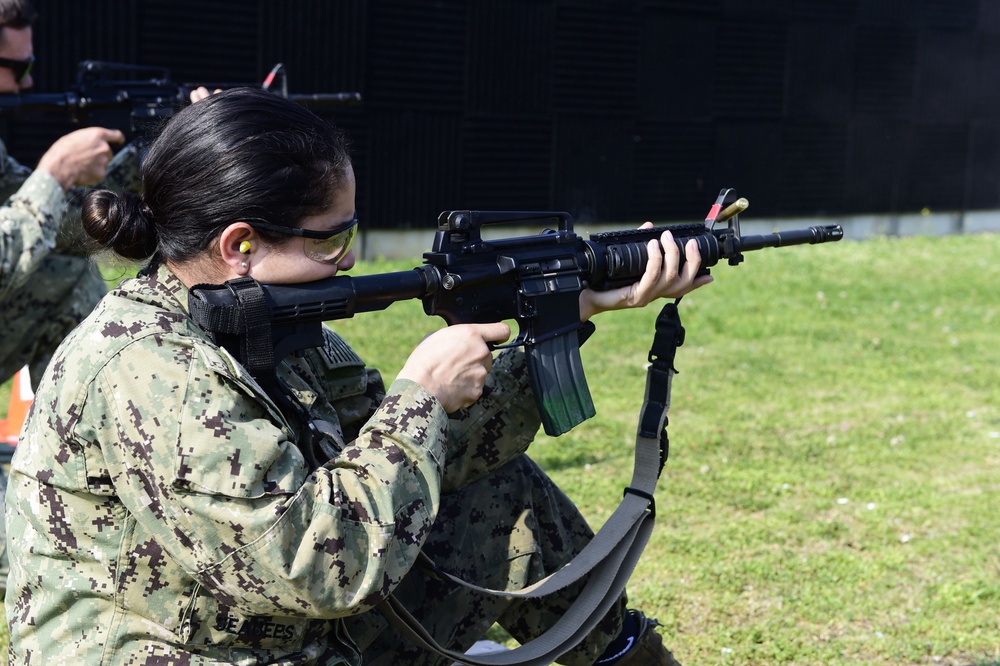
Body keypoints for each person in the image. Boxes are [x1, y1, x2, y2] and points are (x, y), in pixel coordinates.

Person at [4, 87, 712, 665]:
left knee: (499, 492)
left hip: (257, 624)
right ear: (240, 245)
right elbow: (317, 566)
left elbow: (429, 461)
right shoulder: (150, 370)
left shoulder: (260, 325)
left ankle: (627, 655)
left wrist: (575, 306)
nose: (346, 261)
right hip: (166, 646)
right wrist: (419, 402)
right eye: (331, 238)